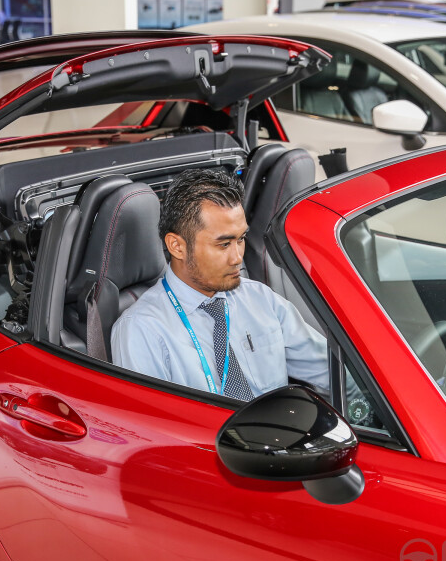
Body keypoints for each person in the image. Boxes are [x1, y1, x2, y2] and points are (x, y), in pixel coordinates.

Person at [111, 168, 329, 400]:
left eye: (241, 239)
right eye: (224, 244)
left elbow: (331, 373)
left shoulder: (261, 299)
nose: (237, 258)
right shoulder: (141, 329)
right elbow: (151, 427)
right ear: (177, 246)